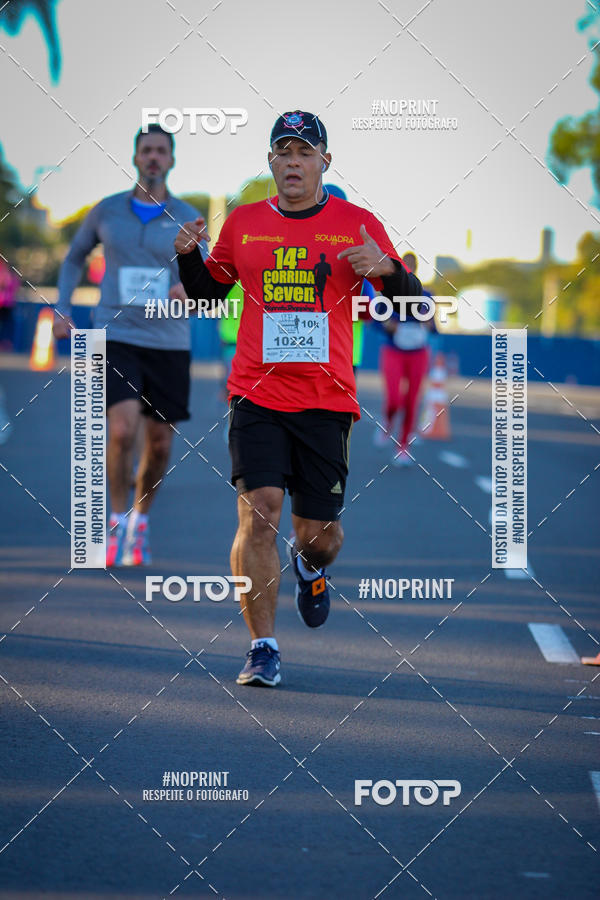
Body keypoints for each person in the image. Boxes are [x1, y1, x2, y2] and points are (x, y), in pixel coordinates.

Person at [175, 110, 422, 687]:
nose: (293, 161)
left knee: (320, 535)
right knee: (259, 510)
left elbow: (415, 306)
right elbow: (209, 296)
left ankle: (310, 565)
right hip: (256, 393)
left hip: (326, 401)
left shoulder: (357, 225)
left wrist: (386, 269)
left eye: (305, 152)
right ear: (270, 162)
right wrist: (189, 256)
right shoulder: (242, 225)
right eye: (283, 152)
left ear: (324, 163)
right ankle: (262, 647)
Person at [54, 124, 201, 566]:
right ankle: (116, 520)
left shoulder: (188, 215)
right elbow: (73, 257)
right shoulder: (106, 211)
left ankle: (140, 521)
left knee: (158, 444)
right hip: (114, 335)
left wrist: (189, 290)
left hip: (169, 342)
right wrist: (62, 307)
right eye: (146, 150)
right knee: (120, 430)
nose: (153, 157)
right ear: (135, 157)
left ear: (171, 160)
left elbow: (208, 278)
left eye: (161, 151)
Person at [373, 252, 433, 465]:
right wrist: (388, 325)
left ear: (415, 269)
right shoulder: (386, 295)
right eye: (404, 266)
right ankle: (388, 422)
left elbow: (434, 326)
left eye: (411, 266)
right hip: (393, 351)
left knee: (411, 401)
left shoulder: (426, 295)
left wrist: (427, 322)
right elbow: (376, 321)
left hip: (418, 353)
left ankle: (403, 446)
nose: (408, 269)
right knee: (394, 399)